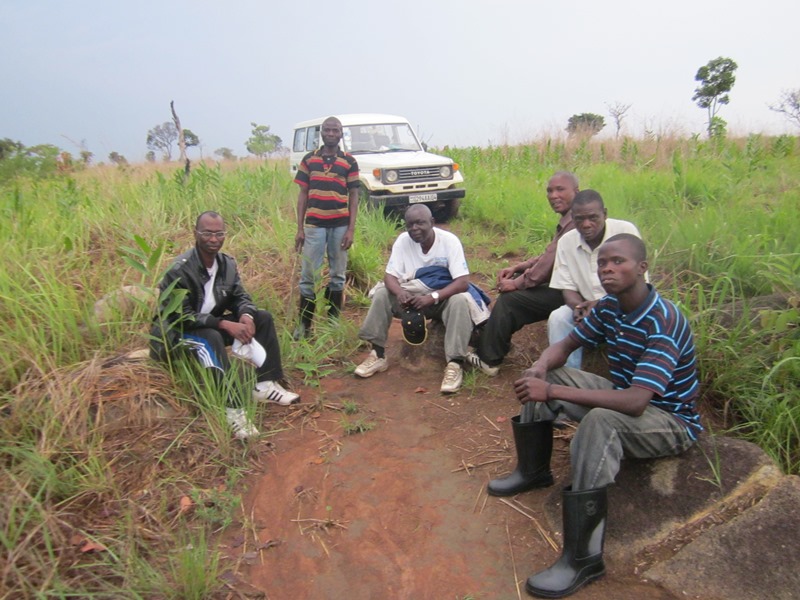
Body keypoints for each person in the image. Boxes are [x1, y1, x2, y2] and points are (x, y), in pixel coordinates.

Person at [488, 234, 702, 598]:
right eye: (603, 263)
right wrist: (540, 369)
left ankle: (583, 558)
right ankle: (533, 471)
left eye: (618, 261)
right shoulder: (609, 308)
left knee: (599, 420)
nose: (607, 269)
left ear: (642, 268)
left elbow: (636, 402)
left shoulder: (663, 320)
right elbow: (567, 345)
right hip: (625, 399)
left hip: (670, 420)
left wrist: (552, 392)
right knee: (544, 373)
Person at [150, 211, 300, 440]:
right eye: (207, 233)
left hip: (210, 324)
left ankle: (264, 386)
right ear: (195, 233)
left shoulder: (226, 264)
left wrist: (246, 316)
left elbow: (241, 296)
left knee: (263, 318)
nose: (213, 239)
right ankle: (233, 409)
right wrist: (223, 324)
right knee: (212, 337)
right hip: (175, 332)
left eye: (219, 233)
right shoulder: (179, 269)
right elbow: (179, 316)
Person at [354, 204, 490, 394]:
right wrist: (400, 292)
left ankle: (454, 364)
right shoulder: (403, 241)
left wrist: (432, 297)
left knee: (459, 300)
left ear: (432, 223)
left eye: (420, 223)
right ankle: (378, 354)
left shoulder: (449, 241)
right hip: (411, 298)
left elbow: (462, 282)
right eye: (410, 225)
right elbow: (389, 277)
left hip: (441, 300)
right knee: (383, 293)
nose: (414, 229)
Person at [465, 171, 579, 376]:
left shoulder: (575, 223)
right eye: (550, 191)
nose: (553, 195)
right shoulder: (569, 221)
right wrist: (519, 267)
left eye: (560, 189)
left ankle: (488, 358)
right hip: (568, 285)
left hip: (574, 293)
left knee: (511, 300)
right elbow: (548, 256)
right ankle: (496, 345)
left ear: (576, 191)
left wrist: (517, 283)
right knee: (518, 292)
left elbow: (546, 268)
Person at [547, 189, 644, 369]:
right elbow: (567, 288)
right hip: (587, 307)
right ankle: (568, 378)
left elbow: (638, 284)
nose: (586, 224)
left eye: (593, 218)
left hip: (625, 306)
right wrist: (578, 307)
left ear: (605, 214)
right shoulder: (566, 242)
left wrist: (601, 306)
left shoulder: (625, 232)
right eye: (579, 219)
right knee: (559, 318)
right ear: (572, 218)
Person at [293, 116, 360, 340]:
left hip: (340, 225)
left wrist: (351, 229)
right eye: (327, 130)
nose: (331, 134)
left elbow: (354, 195)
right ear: (321, 133)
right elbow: (303, 194)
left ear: (341, 134)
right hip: (314, 225)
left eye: (335, 130)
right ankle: (304, 326)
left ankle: (332, 323)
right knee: (308, 276)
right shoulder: (309, 160)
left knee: (337, 276)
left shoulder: (349, 162)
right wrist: (299, 229)